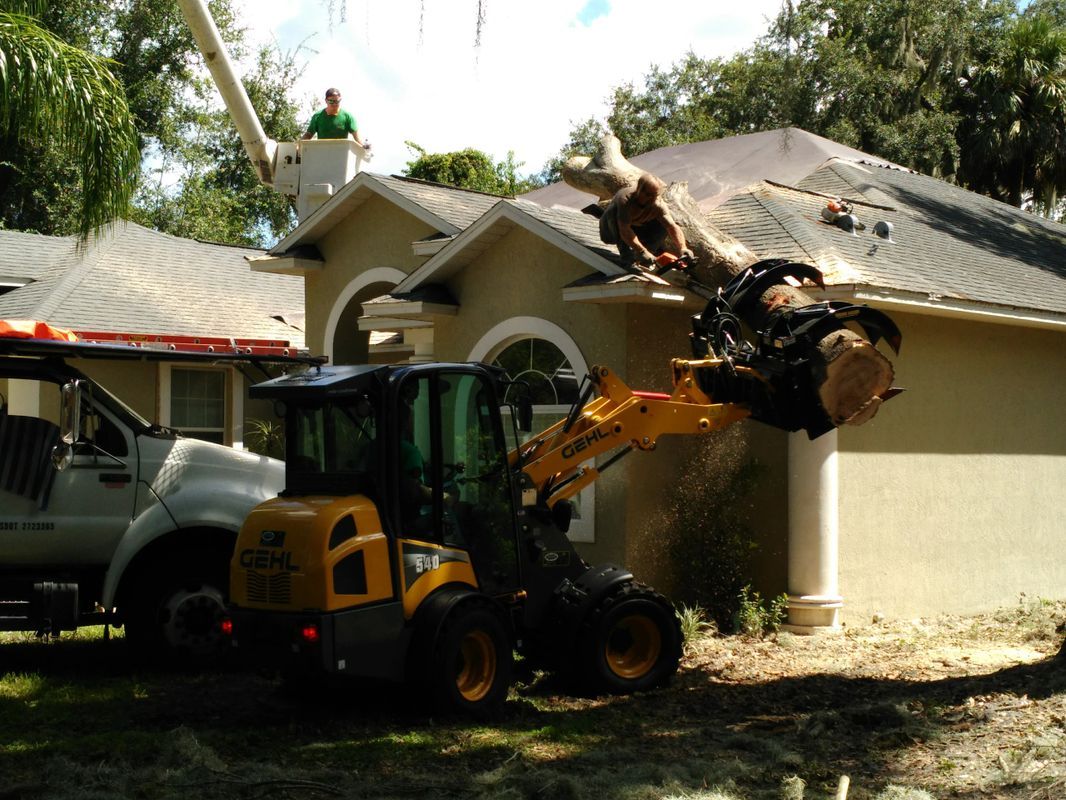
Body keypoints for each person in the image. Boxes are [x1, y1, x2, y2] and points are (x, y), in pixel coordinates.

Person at [599, 173, 693, 269]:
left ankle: (646, 259)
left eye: (655, 195)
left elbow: (672, 227)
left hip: (634, 229)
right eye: (648, 195)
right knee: (616, 217)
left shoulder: (658, 204)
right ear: (639, 190)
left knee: (662, 226)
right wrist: (642, 251)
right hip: (609, 232)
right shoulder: (625, 199)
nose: (652, 199)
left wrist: (683, 248)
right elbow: (624, 230)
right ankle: (627, 259)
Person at [301, 88, 371, 151]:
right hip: (322, 153)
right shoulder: (318, 117)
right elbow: (308, 135)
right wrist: (299, 144)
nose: (335, 104)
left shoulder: (348, 117)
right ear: (326, 101)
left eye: (337, 101)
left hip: (341, 154)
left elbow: (357, 138)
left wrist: (364, 146)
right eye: (331, 101)